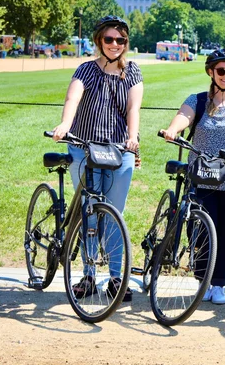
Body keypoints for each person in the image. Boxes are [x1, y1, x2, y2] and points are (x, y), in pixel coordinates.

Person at [50, 15, 144, 302]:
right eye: (109, 39)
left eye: (121, 40)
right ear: (99, 41)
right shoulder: (86, 70)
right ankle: (88, 276)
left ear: (126, 43)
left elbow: (133, 109)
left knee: (115, 213)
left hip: (119, 149)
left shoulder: (133, 72)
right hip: (84, 146)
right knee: (89, 211)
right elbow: (73, 99)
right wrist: (65, 124)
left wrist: (133, 137)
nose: (115, 44)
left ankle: (117, 280)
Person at [161, 49, 225, 305]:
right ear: (210, 72)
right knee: (201, 230)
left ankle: (219, 284)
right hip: (202, 177)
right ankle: (203, 280)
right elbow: (184, 117)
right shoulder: (199, 100)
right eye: (221, 71)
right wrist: (173, 130)